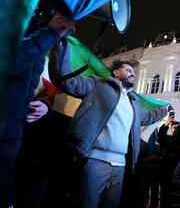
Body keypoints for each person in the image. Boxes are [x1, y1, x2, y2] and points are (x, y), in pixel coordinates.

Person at [49, 53, 169, 208]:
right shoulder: (98, 85)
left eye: (133, 71)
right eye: (127, 70)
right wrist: (61, 45)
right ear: (116, 72)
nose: (132, 73)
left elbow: (147, 117)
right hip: (95, 161)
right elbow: (68, 81)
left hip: (120, 166)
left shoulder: (133, 102)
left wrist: (165, 110)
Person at [0, 14, 75, 208]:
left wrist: (45, 107)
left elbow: (39, 87)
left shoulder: (44, 44)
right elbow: (8, 62)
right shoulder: (11, 17)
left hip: (17, 142)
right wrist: (49, 33)